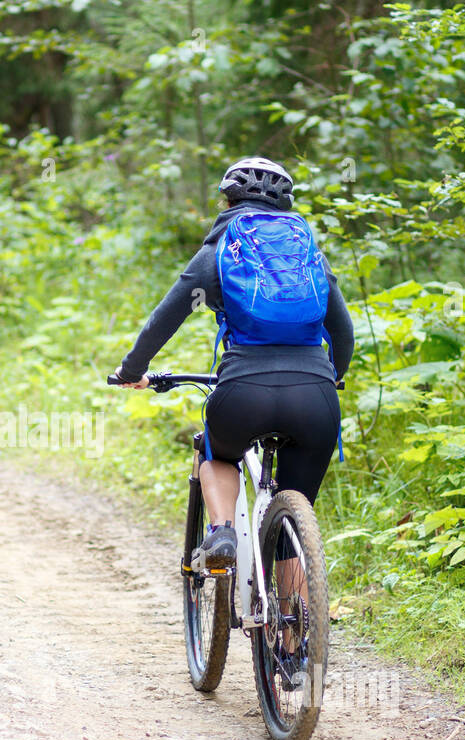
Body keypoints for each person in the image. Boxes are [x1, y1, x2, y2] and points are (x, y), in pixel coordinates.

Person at [112, 157, 354, 575]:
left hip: (244, 392)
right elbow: (343, 331)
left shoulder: (221, 249)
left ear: (227, 201)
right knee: (290, 538)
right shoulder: (307, 252)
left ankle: (222, 532)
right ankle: (299, 635)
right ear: (286, 204)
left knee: (218, 456)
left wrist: (133, 371)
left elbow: (164, 319)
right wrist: (333, 376)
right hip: (316, 399)